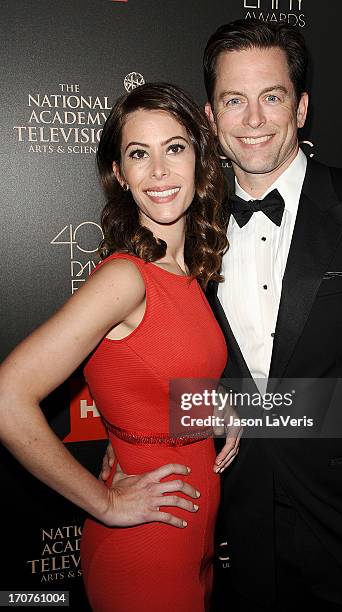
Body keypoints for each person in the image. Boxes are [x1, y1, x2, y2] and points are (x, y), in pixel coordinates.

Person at [200, 18, 342, 612]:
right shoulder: (188, 234)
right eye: (234, 101)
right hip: (240, 540)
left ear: (300, 108)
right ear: (211, 115)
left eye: (270, 97)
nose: (252, 120)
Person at [0, 82, 241, 612]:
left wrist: (213, 405)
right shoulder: (125, 279)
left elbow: (147, 378)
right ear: (119, 174)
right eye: (139, 154)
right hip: (145, 553)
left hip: (193, 543)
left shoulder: (185, 274)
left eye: (174, 148)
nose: (158, 171)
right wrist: (105, 502)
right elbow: (6, 399)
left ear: (199, 159)